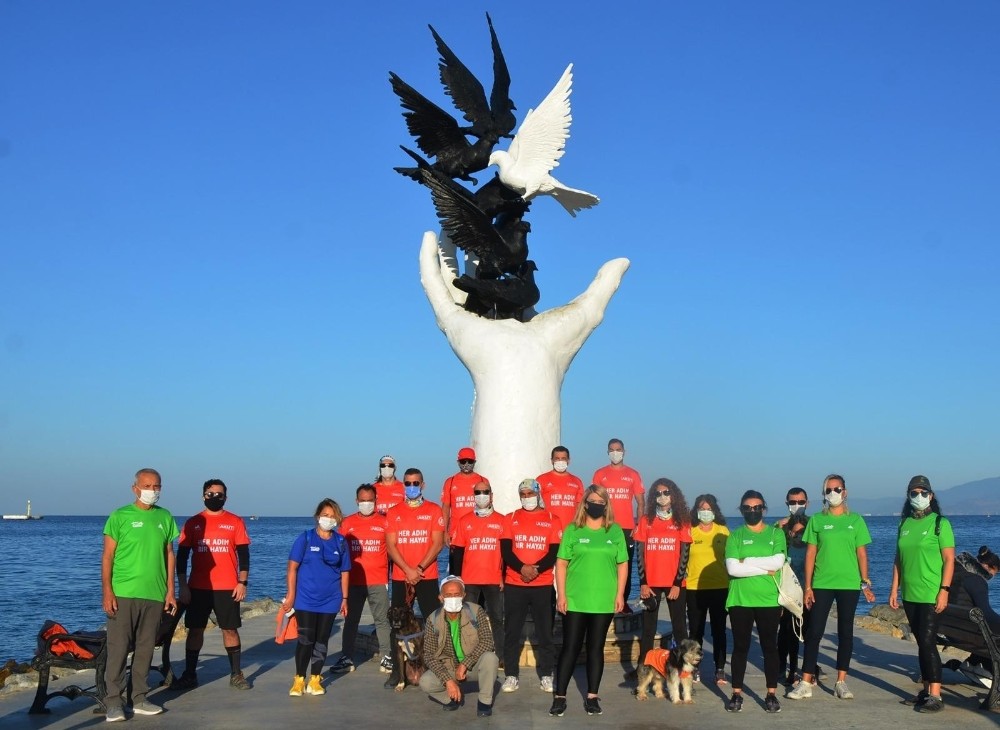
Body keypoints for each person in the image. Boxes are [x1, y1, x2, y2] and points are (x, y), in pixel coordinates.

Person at [101, 468, 179, 721]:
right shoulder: (120, 516)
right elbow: (108, 556)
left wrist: (170, 591)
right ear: (135, 487)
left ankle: (140, 699)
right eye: (147, 486)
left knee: (146, 648)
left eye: (157, 486)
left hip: (155, 594)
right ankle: (113, 702)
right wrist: (107, 592)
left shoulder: (165, 517)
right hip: (124, 593)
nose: (152, 491)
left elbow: (169, 554)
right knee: (119, 648)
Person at [787, 474, 872, 701]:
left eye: (837, 489)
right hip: (822, 583)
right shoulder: (816, 520)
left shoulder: (856, 520)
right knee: (814, 632)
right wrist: (808, 587)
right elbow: (810, 554)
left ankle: (841, 682)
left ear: (845, 492)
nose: (833, 493)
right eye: (828, 490)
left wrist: (865, 581)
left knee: (846, 633)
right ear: (823, 494)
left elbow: (861, 553)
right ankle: (805, 682)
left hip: (848, 584)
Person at [549, 484, 628, 717]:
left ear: (606, 505)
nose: (596, 505)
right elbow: (561, 563)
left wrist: (619, 594)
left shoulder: (614, 531)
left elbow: (622, 564)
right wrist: (561, 595)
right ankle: (560, 696)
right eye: (592, 500)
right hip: (575, 599)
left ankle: (592, 696)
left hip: (603, 600)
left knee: (595, 648)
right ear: (585, 503)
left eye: (601, 502)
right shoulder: (573, 529)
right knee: (570, 647)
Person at [174, 478, 252, 691]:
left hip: (227, 587)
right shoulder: (193, 522)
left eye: (219, 494)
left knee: (230, 630)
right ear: (203, 496)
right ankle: (190, 674)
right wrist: (183, 585)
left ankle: (236, 674)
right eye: (210, 494)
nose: (214, 497)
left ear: (226, 497)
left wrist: (242, 582)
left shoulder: (235, 522)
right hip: (198, 587)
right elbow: (181, 556)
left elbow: (244, 554)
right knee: (195, 630)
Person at [889, 475, 955, 713]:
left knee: (928, 642)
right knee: (921, 643)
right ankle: (926, 691)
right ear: (908, 496)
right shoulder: (904, 524)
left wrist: (944, 591)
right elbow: (899, 559)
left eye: (923, 493)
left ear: (931, 496)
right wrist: (894, 588)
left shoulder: (940, 524)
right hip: (910, 593)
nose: (919, 497)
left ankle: (936, 696)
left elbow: (949, 560)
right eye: (914, 493)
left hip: (930, 593)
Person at [724, 490, 785, 714]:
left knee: (770, 647)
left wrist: (746, 561)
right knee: (741, 647)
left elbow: (778, 562)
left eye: (757, 507)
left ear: (764, 509)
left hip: (769, 600)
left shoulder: (776, 534)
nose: (753, 511)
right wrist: (762, 567)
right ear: (741, 510)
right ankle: (736, 694)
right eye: (748, 507)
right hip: (741, 600)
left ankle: (771, 694)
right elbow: (733, 569)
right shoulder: (735, 536)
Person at [282, 498, 351, 697]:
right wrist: (291, 595)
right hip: (305, 599)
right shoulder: (305, 538)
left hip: (331, 600)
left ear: (338, 519)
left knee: (322, 641)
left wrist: (345, 599)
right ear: (317, 516)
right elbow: (292, 568)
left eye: (332, 516)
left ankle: (315, 679)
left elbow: (345, 571)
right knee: (306, 640)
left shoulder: (340, 542)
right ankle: (299, 679)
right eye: (325, 515)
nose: (328, 519)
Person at [500, 479, 563, 694]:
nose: (527, 498)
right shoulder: (511, 518)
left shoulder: (553, 519)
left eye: (530, 493)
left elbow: (554, 552)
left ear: (538, 493)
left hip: (543, 584)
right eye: (523, 494)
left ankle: (546, 674)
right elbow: (506, 551)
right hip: (515, 584)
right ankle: (511, 675)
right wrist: (522, 569)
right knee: (512, 632)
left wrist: (535, 570)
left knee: (545, 632)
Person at [384, 467, 445, 688]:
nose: (412, 487)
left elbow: (437, 543)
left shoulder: (434, 510)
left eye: (415, 483)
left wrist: (418, 568)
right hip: (401, 576)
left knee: (433, 622)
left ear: (423, 485)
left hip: (426, 575)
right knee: (396, 624)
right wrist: (408, 570)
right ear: (403, 485)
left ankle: (435, 667)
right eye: (408, 483)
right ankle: (396, 673)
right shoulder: (394, 512)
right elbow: (391, 546)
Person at [332, 483, 392, 675]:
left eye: (370, 500)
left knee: (382, 620)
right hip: (353, 582)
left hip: (378, 580)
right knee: (351, 621)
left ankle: (386, 656)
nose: (366, 503)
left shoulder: (385, 522)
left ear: (376, 501)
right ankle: (346, 657)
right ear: (357, 501)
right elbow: (336, 552)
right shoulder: (347, 524)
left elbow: (393, 551)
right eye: (363, 500)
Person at [420, 575, 500, 716]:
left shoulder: (475, 611)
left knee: (491, 658)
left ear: (464, 595)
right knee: (425, 681)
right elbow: (429, 655)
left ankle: (484, 702)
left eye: (456, 594)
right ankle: (451, 698)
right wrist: (448, 680)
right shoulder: (432, 619)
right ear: (441, 597)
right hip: (448, 668)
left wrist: (465, 664)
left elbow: (487, 641)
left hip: (473, 667)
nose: (453, 598)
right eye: (448, 595)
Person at [634, 478, 692, 665]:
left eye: (666, 492)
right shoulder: (645, 520)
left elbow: (685, 554)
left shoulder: (682, 521)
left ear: (673, 495)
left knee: (680, 628)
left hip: (675, 584)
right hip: (650, 585)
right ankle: (644, 670)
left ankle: (684, 669)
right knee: (648, 629)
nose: (662, 496)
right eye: (658, 493)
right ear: (653, 497)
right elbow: (639, 552)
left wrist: (676, 583)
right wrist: (643, 582)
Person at [451, 481, 505, 656]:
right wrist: (456, 579)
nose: (481, 495)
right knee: (469, 620)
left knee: (497, 619)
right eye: (478, 492)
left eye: (485, 492)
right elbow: (457, 552)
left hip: (494, 580)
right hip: (470, 580)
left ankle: (501, 656)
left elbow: (506, 552)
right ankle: (471, 654)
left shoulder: (502, 520)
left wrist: (504, 576)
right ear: (473, 496)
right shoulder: (464, 520)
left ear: (491, 495)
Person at [591, 438, 644, 607]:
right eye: (612, 450)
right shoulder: (600, 474)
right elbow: (593, 501)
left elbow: (641, 503)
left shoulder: (633, 474)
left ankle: (623, 603)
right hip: (604, 526)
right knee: (602, 563)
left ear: (624, 451)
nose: (615, 453)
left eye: (618, 449)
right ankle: (603, 599)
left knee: (624, 566)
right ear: (608, 452)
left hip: (627, 528)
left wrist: (639, 527)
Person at [686, 493, 730, 685]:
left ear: (714, 510)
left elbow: (733, 559)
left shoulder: (723, 532)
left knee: (719, 631)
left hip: (720, 587)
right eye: (702, 509)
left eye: (709, 509)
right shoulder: (690, 532)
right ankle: (694, 668)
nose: (705, 512)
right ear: (696, 511)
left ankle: (719, 669)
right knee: (696, 632)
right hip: (695, 588)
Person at [441, 447, 490, 573]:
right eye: (463, 461)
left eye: (469, 461)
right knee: (456, 573)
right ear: (458, 462)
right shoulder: (450, 482)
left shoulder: (483, 481)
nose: (466, 464)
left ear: (475, 462)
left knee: (477, 570)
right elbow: (446, 508)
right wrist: (445, 532)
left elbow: (489, 507)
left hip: (478, 535)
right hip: (456, 535)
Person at [777, 512, 809, 684]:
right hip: (788, 597)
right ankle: (788, 668)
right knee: (788, 634)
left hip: (806, 596)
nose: (799, 536)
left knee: (805, 633)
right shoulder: (786, 548)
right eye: (795, 532)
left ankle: (807, 669)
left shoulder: (811, 549)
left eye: (802, 532)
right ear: (789, 533)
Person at [536, 446, 583, 529]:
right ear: (552, 461)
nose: (560, 461)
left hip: (570, 530)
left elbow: (580, 508)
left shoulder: (577, 481)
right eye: (557, 458)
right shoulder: (541, 479)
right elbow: (535, 506)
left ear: (568, 460)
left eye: (563, 458)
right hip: (549, 528)